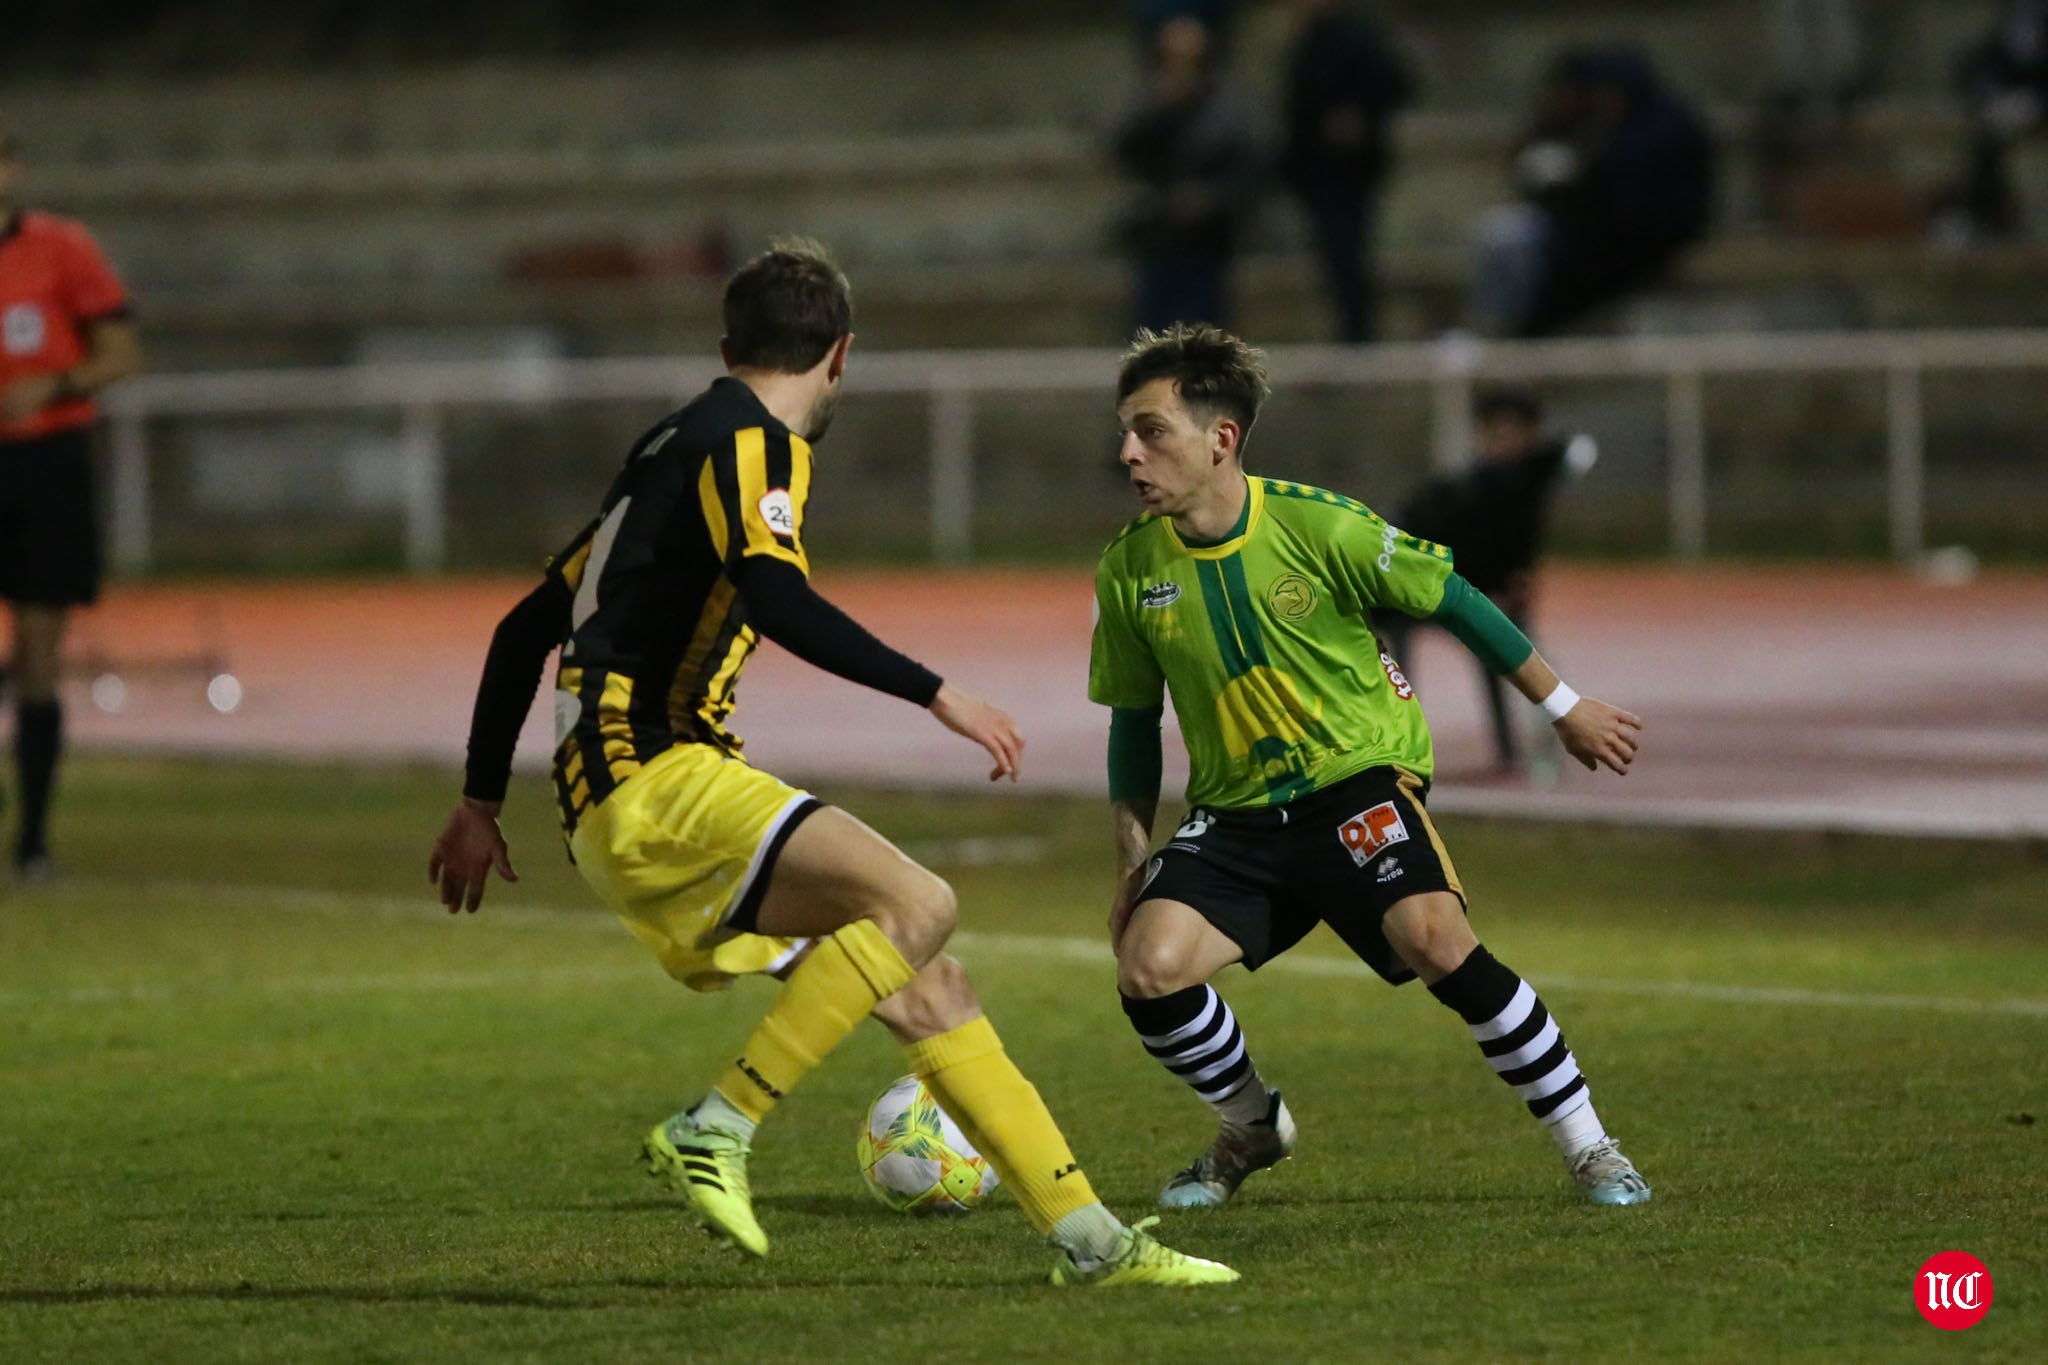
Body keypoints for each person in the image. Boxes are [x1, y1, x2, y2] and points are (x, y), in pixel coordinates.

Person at [427, 240, 1235, 1287]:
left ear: (728, 346)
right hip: (654, 773)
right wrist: (935, 692)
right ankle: (718, 1124)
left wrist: (477, 799)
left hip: (616, 795)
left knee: (926, 983)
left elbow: (524, 624)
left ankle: (1091, 1242)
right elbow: (777, 598)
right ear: (840, 355)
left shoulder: (669, 446)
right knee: (921, 903)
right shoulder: (753, 442)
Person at [1089, 323, 1651, 1212]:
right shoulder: (1128, 569)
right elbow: (1132, 720)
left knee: (1436, 942)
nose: (1128, 451)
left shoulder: (1318, 524)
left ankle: (1591, 1146)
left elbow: (1456, 598)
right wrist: (1132, 859)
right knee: (1147, 967)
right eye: (1126, 429)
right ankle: (1250, 1125)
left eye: (1151, 429)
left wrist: (1565, 707)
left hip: (1354, 781)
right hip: (1236, 816)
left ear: (1220, 439)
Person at [0, 121, 143, 879]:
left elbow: (122, 351)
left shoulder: (62, 248)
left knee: (39, 653)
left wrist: (52, 384)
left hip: (47, 462)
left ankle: (33, 840)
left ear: (11, 168)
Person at [1376, 386, 1595, 773]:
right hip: (1436, 590)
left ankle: (1541, 744)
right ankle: (1397, 743)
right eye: (1493, 432)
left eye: (1511, 432)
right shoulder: (1463, 487)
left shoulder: (1530, 480)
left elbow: (1572, 453)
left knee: (1526, 657)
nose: (1501, 442)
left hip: (1493, 596)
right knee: (1382, 636)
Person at [1470, 46, 1714, 337]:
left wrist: (1584, 167)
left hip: (1644, 241)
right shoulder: (1582, 123)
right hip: (1583, 237)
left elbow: (1640, 199)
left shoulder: (1665, 126)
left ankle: (1518, 343)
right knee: (1506, 238)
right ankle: (1501, 337)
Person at [1112, 15, 1264, 334]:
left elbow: (1247, 169)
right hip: (1159, 232)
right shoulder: (1149, 103)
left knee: (1205, 328)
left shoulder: (1227, 109)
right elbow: (1125, 152)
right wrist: (1159, 111)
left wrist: (1210, 199)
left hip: (1208, 237)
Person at [1279, 0, 1415, 343]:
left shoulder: (1356, 38)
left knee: (1347, 252)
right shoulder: (1308, 40)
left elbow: (1397, 83)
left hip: (1348, 172)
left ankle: (1358, 332)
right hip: (1316, 170)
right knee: (1333, 256)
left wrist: (1359, 114)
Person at [1937, 1, 2048, 243]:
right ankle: (1976, 215)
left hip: (2034, 94)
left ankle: (1979, 215)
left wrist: (2037, 101)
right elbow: (2001, 53)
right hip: (2009, 89)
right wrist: (1992, 96)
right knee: (1989, 130)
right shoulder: (2017, 16)